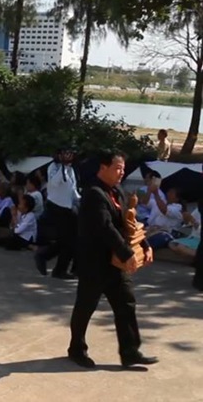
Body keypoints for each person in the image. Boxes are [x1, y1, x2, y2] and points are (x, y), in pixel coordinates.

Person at [67, 150, 158, 369]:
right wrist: (127, 254)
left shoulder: (117, 192)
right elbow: (105, 228)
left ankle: (130, 352)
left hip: (115, 263)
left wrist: (144, 244)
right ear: (103, 168)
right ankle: (76, 349)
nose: (121, 173)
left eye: (123, 169)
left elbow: (129, 223)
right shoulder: (94, 194)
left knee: (126, 304)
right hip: (94, 263)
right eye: (117, 168)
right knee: (85, 307)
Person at [35, 147, 79, 279]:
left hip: (68, 208)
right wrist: (63, 167)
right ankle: (58, 269)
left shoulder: (71, 170)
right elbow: (54, 183)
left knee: (69, 240)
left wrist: (82, 201)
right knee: (68, 241)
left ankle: (45, 256)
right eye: (65, 153)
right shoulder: (53, 168)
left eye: (70, 154)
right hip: (56, 208)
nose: (68, 156)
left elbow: (73, 190)